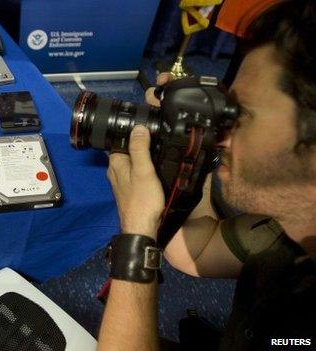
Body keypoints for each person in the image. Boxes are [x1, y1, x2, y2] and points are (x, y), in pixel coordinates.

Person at [99, 1, 316, 350]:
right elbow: (198, 250)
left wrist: (137, 238)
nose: (219, 128)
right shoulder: (294, 222)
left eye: (239, 114)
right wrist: (187, 154)